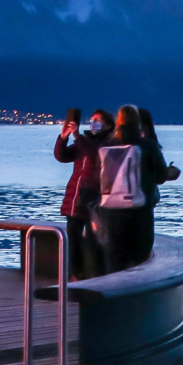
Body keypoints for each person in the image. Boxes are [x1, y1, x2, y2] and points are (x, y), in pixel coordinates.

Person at [92, 107, 152, 274]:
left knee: (115, 255)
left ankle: (115, 286)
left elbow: (97, 173)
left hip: (111, 207)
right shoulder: (146, 145)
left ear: (118, 121)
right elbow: (159, 175)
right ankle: (139, 286)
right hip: (139, 208)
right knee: (141, 255)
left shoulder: (106, 145)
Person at [52, 110, 110, 278]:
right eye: (92, 119)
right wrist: (63, 137)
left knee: (95, 241)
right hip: (75, 197)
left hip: (95, 199)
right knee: (73, 240)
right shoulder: (84, 142)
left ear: (107, 125)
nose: (93, 123)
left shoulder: (108, 143)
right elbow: (62, 156)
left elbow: (93, 155)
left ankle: (100, 277)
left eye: (97, 120)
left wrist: (77, 136)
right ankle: (75, 275)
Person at [137, 107, 180, 264]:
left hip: (118, 200)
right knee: (143, 242)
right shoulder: (150, 145)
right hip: (145, 199)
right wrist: (170, 172)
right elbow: (160, 176)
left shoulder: (117, 143)